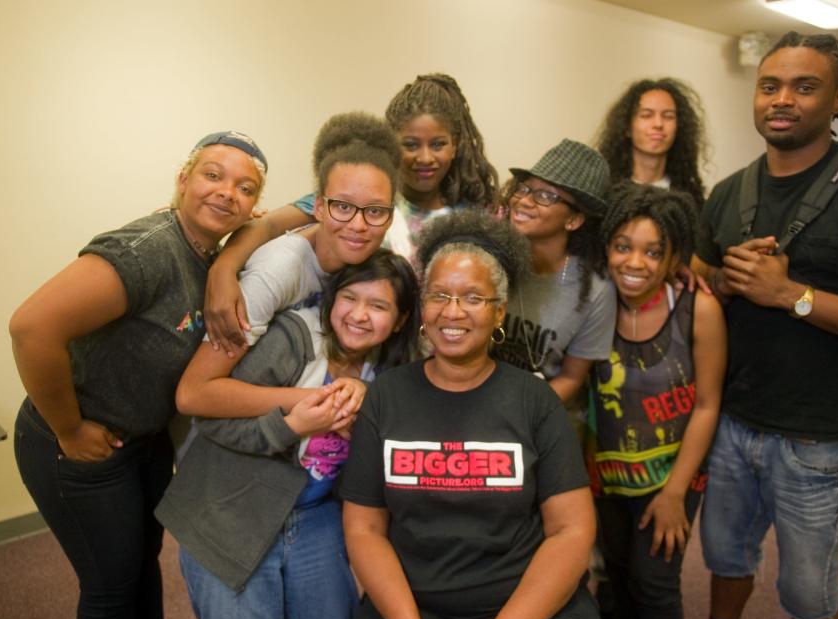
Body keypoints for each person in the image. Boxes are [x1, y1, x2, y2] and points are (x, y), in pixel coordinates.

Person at [688, 31, 838, 619]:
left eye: (804, 86)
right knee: (726, 554)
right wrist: (726, 279)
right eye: (770, 85)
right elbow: (701, 274)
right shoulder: (730, 190)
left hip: (816, 436)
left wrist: (791, 294)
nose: (782, 98)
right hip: (732, 420)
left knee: (809, 587)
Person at [9, 131, 268, 619]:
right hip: (78, 445)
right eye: (212, 175)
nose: (226, 193)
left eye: (245, 188)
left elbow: (301, 211)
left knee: (142, 573)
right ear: (182, 180)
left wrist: (237, 248)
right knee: (111, 588)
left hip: (141, 444)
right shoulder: (146, 250)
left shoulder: (208, 253)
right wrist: (70, 429)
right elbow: (31, 328)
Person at [338, 211, 612, 619]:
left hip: (527, 602)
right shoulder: (387, 397)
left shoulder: (535, 401)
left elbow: (572, 532)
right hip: (418, 604)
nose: (452, 311)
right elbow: (364, 530)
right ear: (422, 307)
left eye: (472, 298)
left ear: (499, 310)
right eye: (439, 295)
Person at [156, 250, 420, 619]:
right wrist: (290, 426)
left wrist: (365, 413)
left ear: (400, 320)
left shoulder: (391, 371)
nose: (359, 315)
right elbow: (212, 421)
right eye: (349, 298)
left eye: (379, 305)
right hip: (230, 513)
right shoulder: (293, 338)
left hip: (315, 516)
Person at [204, 73, 499, 352]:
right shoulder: (358, 194)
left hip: (438, 358)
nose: (424, 157)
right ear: (392, 145)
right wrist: (222, 271)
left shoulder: (472, 213)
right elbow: (267, 227)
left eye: (438, 144)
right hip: (360, 354)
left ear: (455, 145)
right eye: (410, 144)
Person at [174, 111, 400, 424]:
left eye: (375, 211)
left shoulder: (371, 261)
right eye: (343, 207)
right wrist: (326, 396)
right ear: (318, 207)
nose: (359, 225)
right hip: (228, 450)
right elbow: (193, 393)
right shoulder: (279, 270)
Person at [588, 183, 726, 619]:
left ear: (673, 261)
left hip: (671, 477)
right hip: (607, 477)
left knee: (656, 584)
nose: (633, 263)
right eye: (622, 247)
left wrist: (674, 493)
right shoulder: (596, 304)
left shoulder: (696, 308)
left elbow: (708, 405)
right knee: (622, 580)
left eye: (653, 252)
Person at [496, 139, 617, 406]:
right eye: (525, 189)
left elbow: (572, 378)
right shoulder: (493, 261)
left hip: (544, 418)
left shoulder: (595, 291)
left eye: (546, 196)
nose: (525, 201)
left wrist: (520, 415)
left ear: (574, 220)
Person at [595, 78, 708, 208]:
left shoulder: (690, 199)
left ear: (679, 128)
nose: (658, 124)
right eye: (647, 115)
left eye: (668, 116)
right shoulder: (604, 195)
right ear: (626, 127)